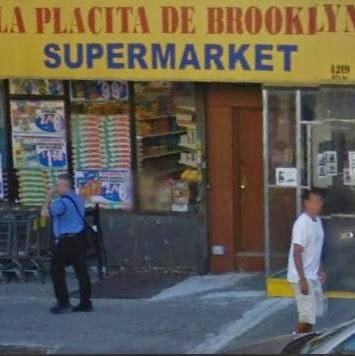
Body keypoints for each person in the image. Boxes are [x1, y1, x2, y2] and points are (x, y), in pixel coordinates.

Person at [42, 173, 93, 314]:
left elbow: (45, 213)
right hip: (79, 238)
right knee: (81, 272)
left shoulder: (61, 203)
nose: (55, 188)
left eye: (57, 185)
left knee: (56, 270)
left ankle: (63, 301)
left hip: (66, 241)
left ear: (65, 186)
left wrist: (48, 198)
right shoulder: (78, 199)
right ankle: (85, 302)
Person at [287, 189, 326, 334]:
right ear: (307, 203)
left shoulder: (317, 221)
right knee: (306, 317)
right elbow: (297, 253)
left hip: (312, 274)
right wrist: (302, 280)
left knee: (312, 315)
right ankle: (294, 342)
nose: (319, 204)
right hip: (301, 276)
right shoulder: (302, 224)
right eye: (316, 201)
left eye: (320, 200)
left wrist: (320, 269)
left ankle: (306, 341)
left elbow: (316, 249)